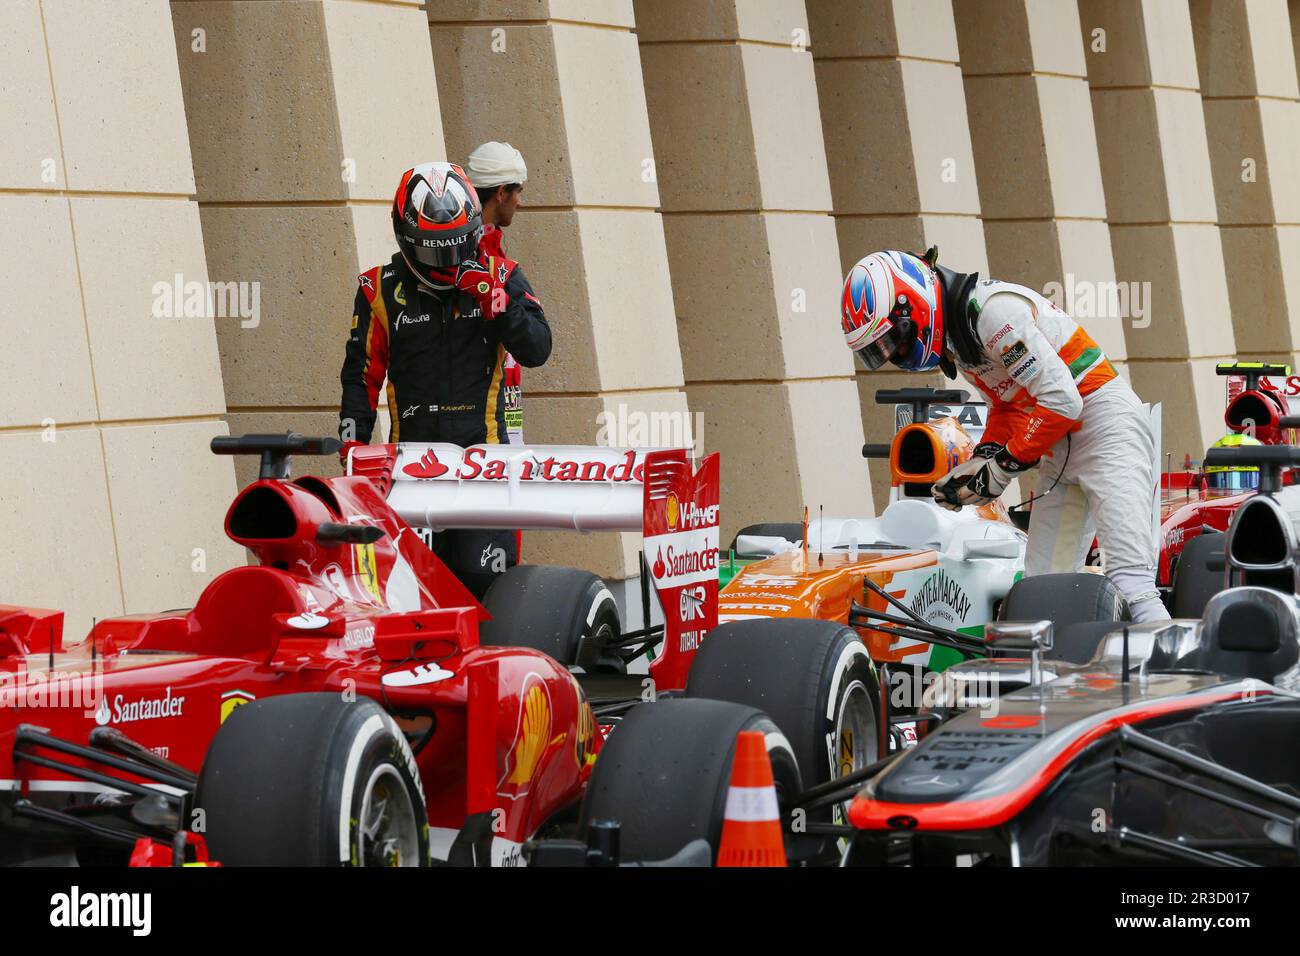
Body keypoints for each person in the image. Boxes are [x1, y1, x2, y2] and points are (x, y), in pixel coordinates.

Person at [840, 247, 1169, 623]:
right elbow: (1008, 407)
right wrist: (980, 462)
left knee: (1132, 585)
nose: (897, 353)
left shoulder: (991, 313)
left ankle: (1178, 677)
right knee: (1043, 592)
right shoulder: (960, 337)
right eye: (883, 350)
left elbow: (1063, 401)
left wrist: (1000, 469)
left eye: (893, 340)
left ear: (911, 304)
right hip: (1061, 444)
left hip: (1107, 425)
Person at [339, 161, 551, 597]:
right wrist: (353, 453)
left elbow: (539, 350)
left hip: (485, 468)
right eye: (436, 249)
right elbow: (359, 379)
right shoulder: (378, 289)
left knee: (484, 587)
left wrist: (502, 310)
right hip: (409, 472)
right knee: (410, 588)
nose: (448, 261)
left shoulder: (502, 275)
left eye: (456, 247)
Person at [466, 141, 528, 443]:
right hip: (479, 420)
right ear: (502, 192)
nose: (519, 201)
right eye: (518, 192)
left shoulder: (492, 241)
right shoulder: (474, 247)